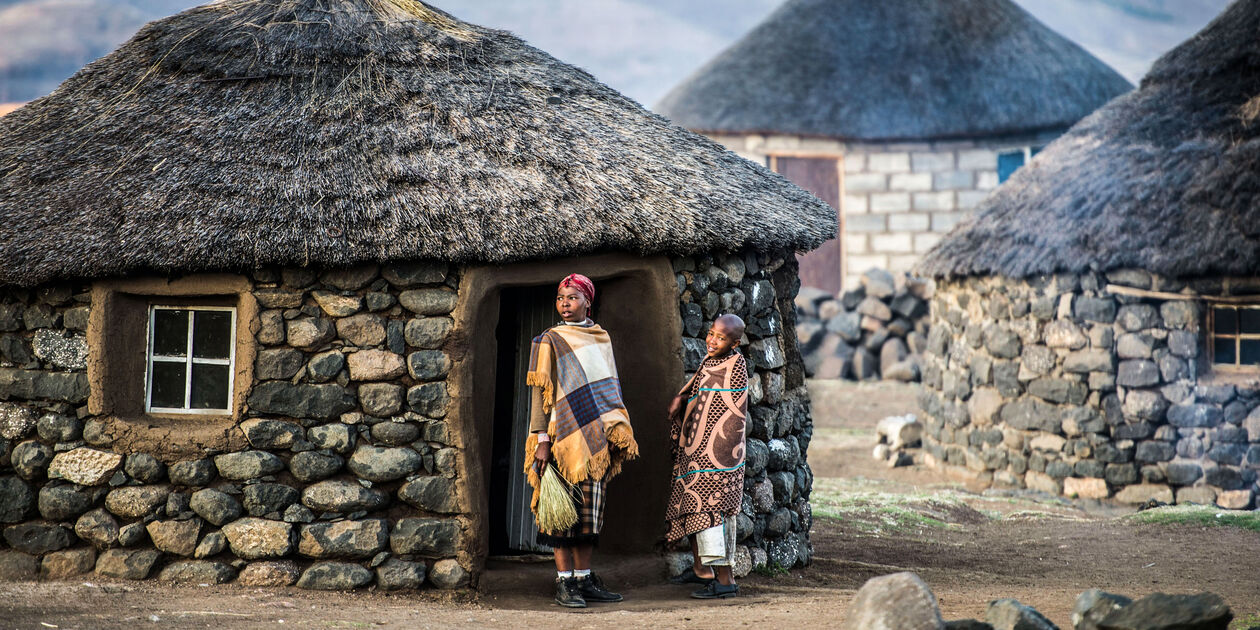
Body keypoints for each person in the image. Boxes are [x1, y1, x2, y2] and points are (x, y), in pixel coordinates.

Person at [524, 273, 639, 608]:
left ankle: (584, 580)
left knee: (589, 517)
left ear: (588, 301)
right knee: (560, 514)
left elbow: (608, 389)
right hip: (559, 439)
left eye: (572, 298)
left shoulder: (601, 338)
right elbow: (539, 393)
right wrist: (541, 439)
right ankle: (564, 584)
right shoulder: (549, 340)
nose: (565, 305)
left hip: (594, 440)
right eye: (560, 298)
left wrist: (615, 427)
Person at [665, 314, 749, 599]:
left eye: (721, 338)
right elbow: (700, 392)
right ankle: (703, 571)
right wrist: (682, 398)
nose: (712, 340)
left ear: (735, 343)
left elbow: (728, 409)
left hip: (719, 459)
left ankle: (725, 582)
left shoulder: (736, 366)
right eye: (711, 333)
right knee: (693, 505)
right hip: (697, 451)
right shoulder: (710, 362)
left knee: (712, 512)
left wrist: (713, 456)